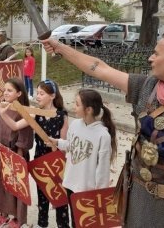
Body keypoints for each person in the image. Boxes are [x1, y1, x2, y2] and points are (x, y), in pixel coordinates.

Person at [42, 31, 164, 227]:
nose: (150, 58)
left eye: (156, 53)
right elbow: (99, 68)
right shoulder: (147, 86)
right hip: (136, 193)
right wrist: (60, 47)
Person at [0, 79, 70, 228]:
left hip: (56, 161)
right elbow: (16, 126)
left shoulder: (62, 116)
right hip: (39, 160)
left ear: (52, 96)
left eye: (41, 93)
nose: (37, 96)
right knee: (42, 195)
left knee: (59, 195)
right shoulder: (35, 114)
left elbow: (64, 141)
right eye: (37, 93)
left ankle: (63, 225)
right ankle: (42, 224)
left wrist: (55, 144)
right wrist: (3, 114)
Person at [48, 89, 117, 227]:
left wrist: (99, 193)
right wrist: (57, 142)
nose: (74, 106)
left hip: (87, 188)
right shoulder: (75, 125)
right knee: (74, 220)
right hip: (70, 182)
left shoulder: (103, 135)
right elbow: (71, 145)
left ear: (89, 109)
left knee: (84, 224)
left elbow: (102, 170)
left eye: (77, 104)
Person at [0, 78, 34, 228]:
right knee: (0, 184)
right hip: (0, 152)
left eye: (10, 90)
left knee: (16, 188)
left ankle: (17, 218)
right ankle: (2, 213)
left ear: (19, 93)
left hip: (15, 153)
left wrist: (18, 156)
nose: (5, 92)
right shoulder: (0, 107)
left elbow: (23, 135)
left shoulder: (25, 112)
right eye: (4, 90)